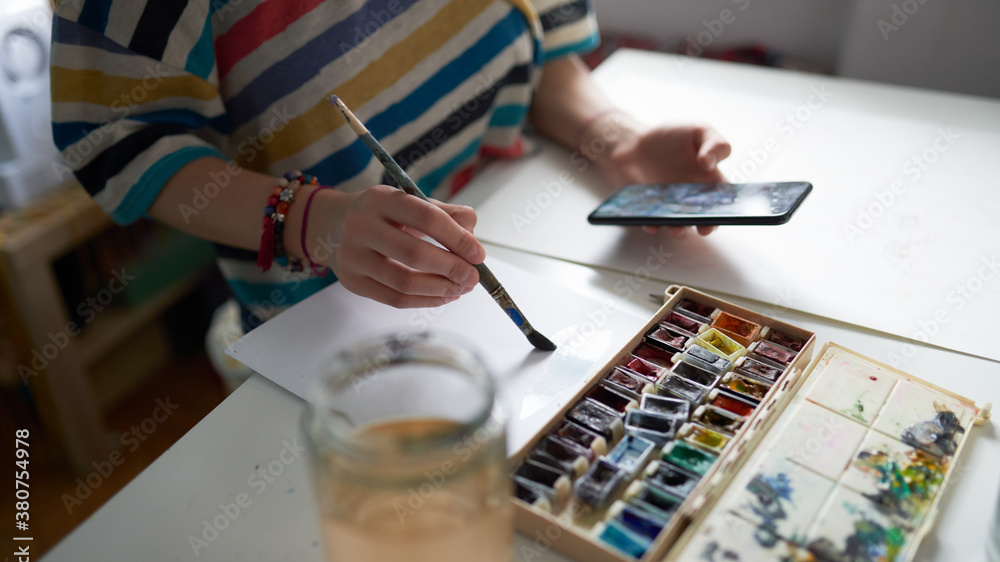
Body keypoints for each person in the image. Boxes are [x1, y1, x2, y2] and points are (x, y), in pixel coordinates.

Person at [51, 0, 730, 331]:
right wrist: (316, 220)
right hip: (332, 318)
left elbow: (541, 34)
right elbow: (123, 144)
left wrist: (614, 140)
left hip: (530, 233)